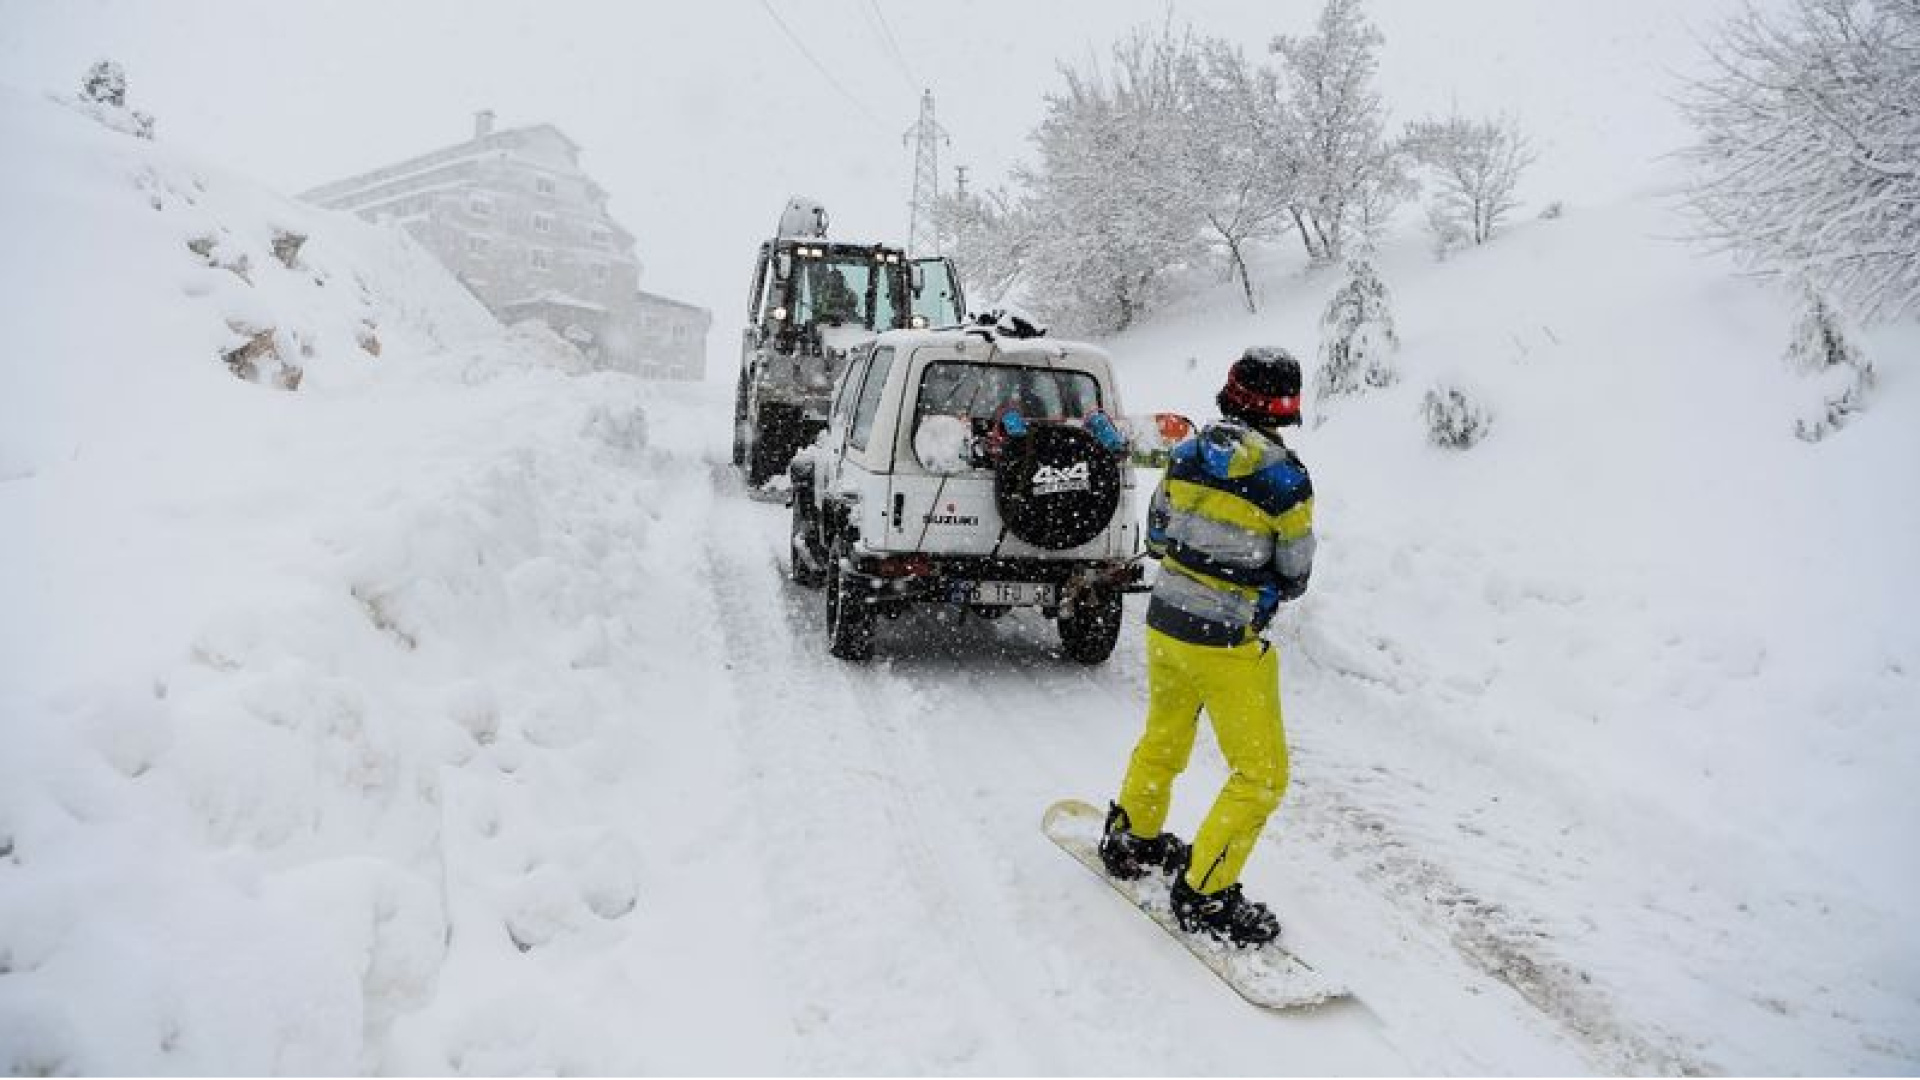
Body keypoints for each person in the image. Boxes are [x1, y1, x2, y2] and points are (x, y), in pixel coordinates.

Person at [1098, 347, 1315, 947]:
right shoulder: (1284, 478)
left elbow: (1160, 531)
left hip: (1165, 624)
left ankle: (1132, 838)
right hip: (1226, 641)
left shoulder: (1188, 453)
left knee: (1165, 736)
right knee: (1262, 776)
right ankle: (1205, 892)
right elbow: (1295, 570)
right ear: (1285, 408)